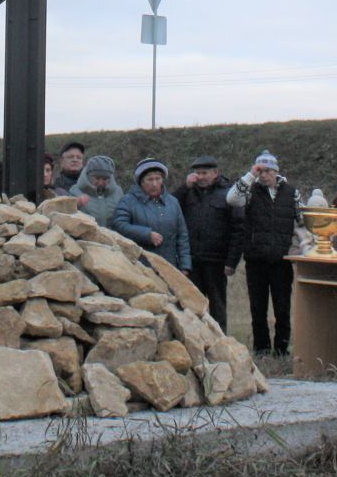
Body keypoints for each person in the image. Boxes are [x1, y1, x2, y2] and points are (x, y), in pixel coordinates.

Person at [227, 151, 298, 355]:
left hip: (281, 260)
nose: (263, 175)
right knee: (258, 308)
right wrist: (250, 175)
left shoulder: (292, 193)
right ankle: (261, 349)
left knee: (282, 308)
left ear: (276, 171)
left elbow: (303, 220)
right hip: (256, 259)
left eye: (267, 171)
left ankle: (282, 349)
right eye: (260, 171)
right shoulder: (250, 191)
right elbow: (232, 199)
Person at [175, 155, 243, 331]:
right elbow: (171, 206)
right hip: (192, 261)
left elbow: (238, 229)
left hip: (217, 261)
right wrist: (184, 187)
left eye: (204, 173)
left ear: (215, 173)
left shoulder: (229, 194)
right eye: (197, 173)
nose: (200, 177)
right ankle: (196, 341)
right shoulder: (188, 192)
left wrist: (231, 262)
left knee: (218, 307)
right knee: (192, 306)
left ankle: (221, 344)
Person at [112, 159, 193, 271]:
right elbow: (118, 225)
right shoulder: (128, 201)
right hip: (140, 266)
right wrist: (146, 234)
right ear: (141, 181)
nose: (154, 184)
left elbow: (182, 235)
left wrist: (185, 266)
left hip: (170, 266)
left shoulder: (173, 202)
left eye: (158, 179)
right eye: (149, 179)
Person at [72, 154, 123, 227]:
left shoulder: (118, 192)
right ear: (88, 176)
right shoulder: (75, 191)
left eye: (105, 179)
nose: (101, 183)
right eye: (97, 178)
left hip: (114, 237)